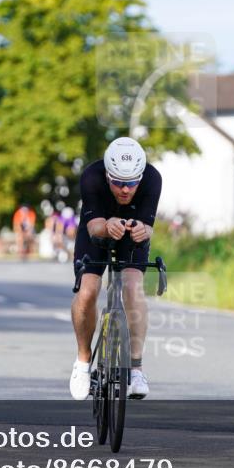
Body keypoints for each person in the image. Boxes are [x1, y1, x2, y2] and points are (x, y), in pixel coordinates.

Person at [69, 137, 161, 401]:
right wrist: (108, 225)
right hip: (97, 232)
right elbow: (93, 226)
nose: (125, 189)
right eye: (118, 182)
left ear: (140, 177)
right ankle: (83, 363)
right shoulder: (92, 177)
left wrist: (144, 230)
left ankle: (136, 369)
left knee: (133, 288)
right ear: (108, 175)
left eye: (132, 183)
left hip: (133, 236)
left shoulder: (153, 179)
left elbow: (150, 226)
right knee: (87, 291)